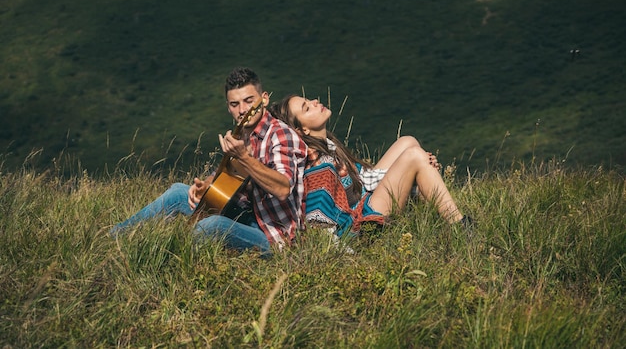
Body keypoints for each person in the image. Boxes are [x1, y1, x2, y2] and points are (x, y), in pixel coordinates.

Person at [110, 68, 308, 254]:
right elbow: (226, 177)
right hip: (249, 217)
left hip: (276, 237)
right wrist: (205, 187)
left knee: (210, 226)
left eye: (249, 101)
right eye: (234, 104)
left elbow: (283, 189)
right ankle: (114, 238)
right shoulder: (243, 135)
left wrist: (244, 158)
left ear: (264, 99)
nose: (242, 110)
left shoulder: (280, 135)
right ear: (228, 107)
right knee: (179, 191)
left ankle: (173, 260)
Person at [269, 94, 472, 237]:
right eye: (307, 108)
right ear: (301, 129)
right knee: (414, 156)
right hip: (365, 227)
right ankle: (459, 227)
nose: (314, 102)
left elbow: (362, 179)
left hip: (364, 200)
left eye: (309, 101)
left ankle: (426, 197)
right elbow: (317, 217)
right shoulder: (319, 167)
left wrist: (413, 171)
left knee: (407, 142)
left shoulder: (328, 147)